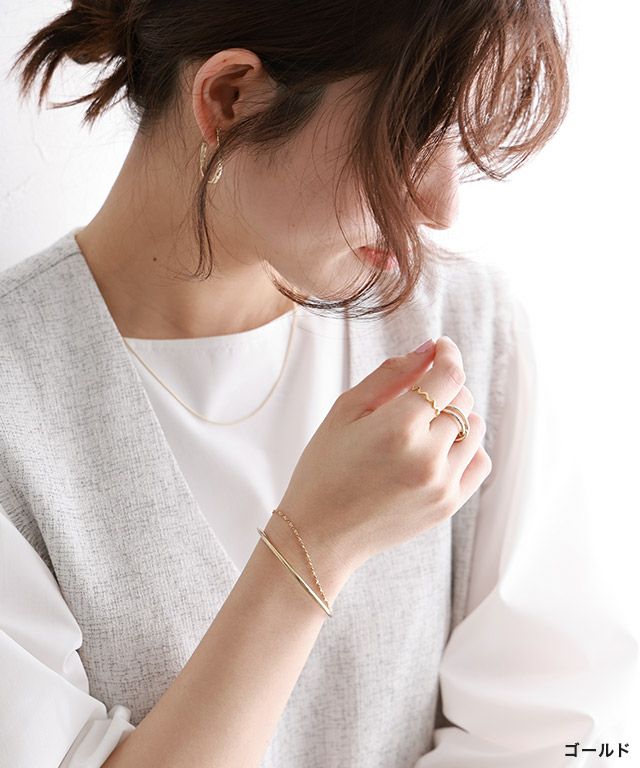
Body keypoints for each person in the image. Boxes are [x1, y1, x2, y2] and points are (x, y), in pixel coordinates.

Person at [2, 2, 632, 767]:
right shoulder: (16, 401)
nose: (441, 207)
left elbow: (558, 737)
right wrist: (313, 548)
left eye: (454, 137)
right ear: (231, 98)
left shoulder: (464, 327)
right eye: (406, 136)